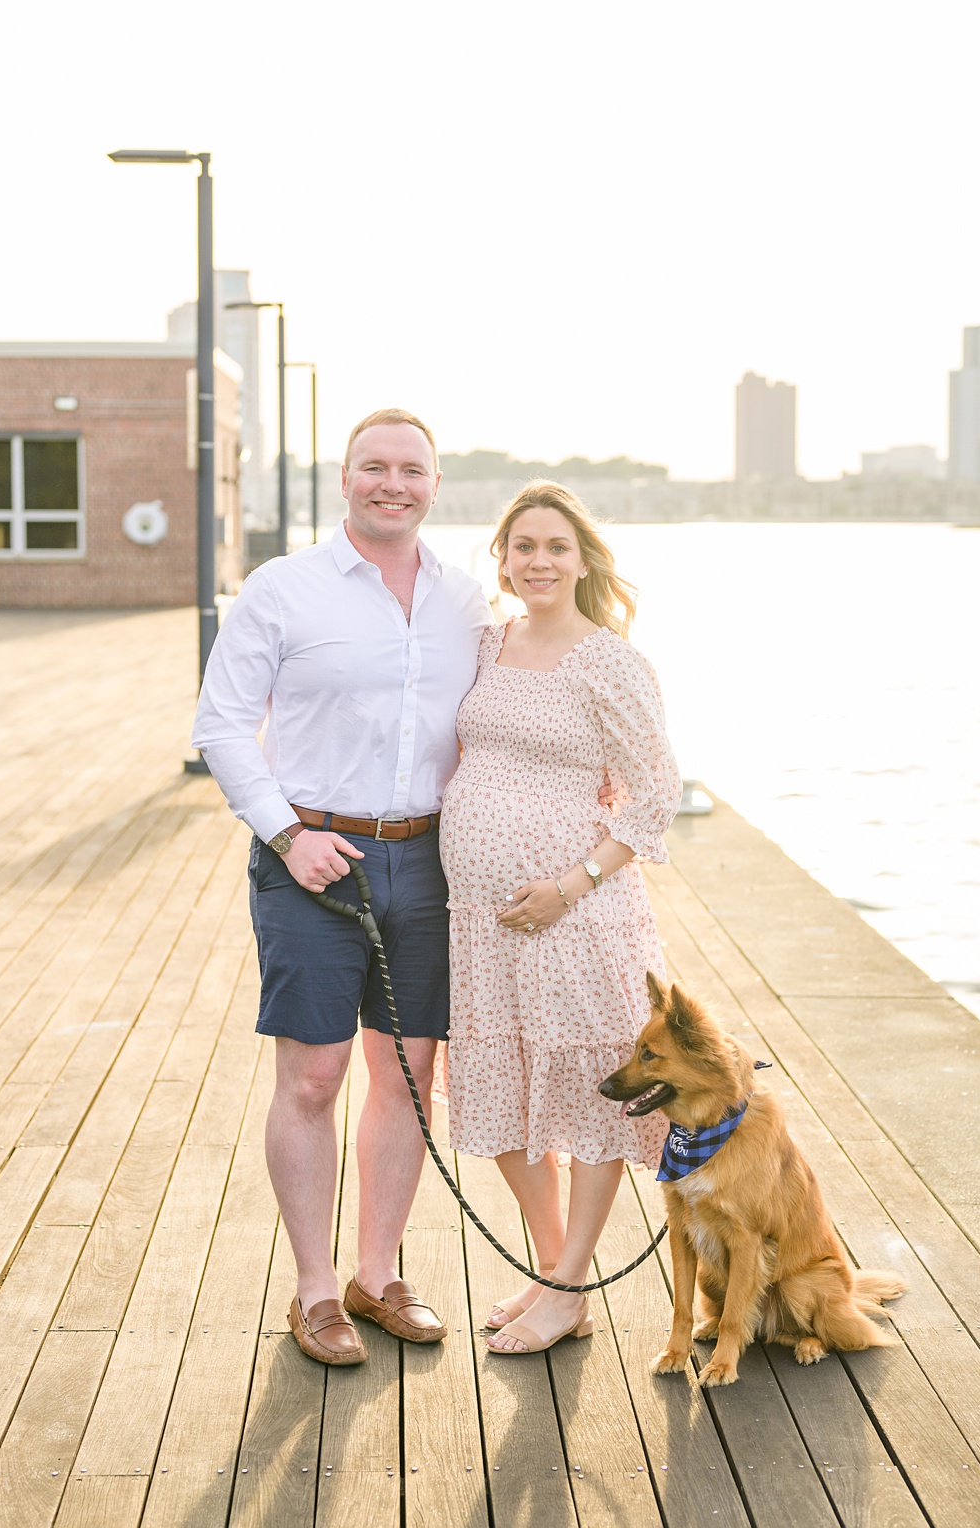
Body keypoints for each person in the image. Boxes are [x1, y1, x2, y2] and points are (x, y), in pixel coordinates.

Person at [192, 409, 490, 1365]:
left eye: (410, 469)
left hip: (433, 861)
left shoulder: (466, 601)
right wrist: (287, 835)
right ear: (345, 478)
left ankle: (376, 1274)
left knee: (409, 1078)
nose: (390, 483)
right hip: (310, 860)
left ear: (434, 485)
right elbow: (223, 725)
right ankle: (314, 1289)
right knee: (314, 1076)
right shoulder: (284, 591)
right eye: (374, 467)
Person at [441, 482, 680, 1354]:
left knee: (589, 1096)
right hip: (479, 921)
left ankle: (569, 1281)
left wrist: (570, 885)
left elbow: (655, 794)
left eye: (556, 547)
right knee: (501, 1095)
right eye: (522, 546)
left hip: (577, 919)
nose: (538, 561)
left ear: (584, 562)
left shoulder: (608, 661)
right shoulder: (484, 646)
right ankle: (555, 1277)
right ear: (500, 557)